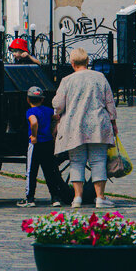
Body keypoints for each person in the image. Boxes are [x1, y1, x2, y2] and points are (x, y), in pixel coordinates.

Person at [52, 48, 117, 208]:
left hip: (74, 127)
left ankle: (77, 198)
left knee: (77, 162)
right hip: (98, 125)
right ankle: (100, 197)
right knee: (98, 161)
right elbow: (110, 102)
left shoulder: (67, 80)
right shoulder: (100, 77)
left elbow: (58, 105)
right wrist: (113, 122)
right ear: (88, 62)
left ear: (72, 63)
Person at [18, 86, 63, 207]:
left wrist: (34, 136)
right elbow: (57, 117)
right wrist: (53, 131)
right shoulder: (48, 110)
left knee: (31, 171)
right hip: (48, 143)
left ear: (28, 100)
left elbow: (33, 122)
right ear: (42, 99)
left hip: (36, 144)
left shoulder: (31, 111)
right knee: (49, 171)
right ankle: (55, 198)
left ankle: (30, 198)